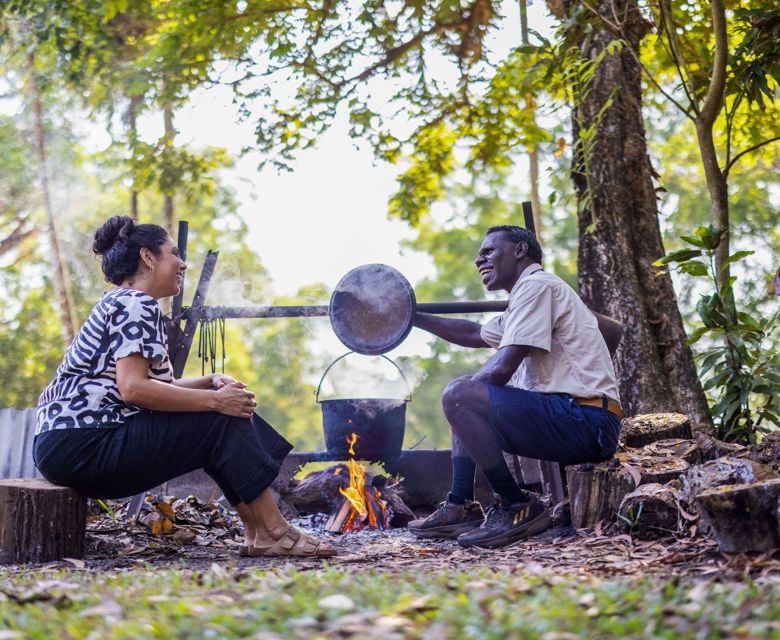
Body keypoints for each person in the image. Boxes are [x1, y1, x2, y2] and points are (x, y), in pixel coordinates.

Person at [34, 215, 336, 558]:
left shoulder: (119, 301)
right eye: (174, 253)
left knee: (220, 414)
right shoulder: (136, 303)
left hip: (69, 444)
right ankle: (275, 531)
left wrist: (209, 382)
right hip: (85, 445)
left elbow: (141, 385)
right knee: (220, 418)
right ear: (149, 257)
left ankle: (259, 532)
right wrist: (215, 401)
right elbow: (134, 390)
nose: (183, 263)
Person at [408, 225, 623, 549]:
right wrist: (411, 317)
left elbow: (501, 370)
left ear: (520, 250)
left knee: (462, 395)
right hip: (569, 418)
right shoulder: (525, 300)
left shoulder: (537, 286)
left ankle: (517, 505)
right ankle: (459, 506)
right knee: (464, 398)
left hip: (587, 421)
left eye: (488, 251)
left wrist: (459, 399)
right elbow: (472, 333)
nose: (479, 259)